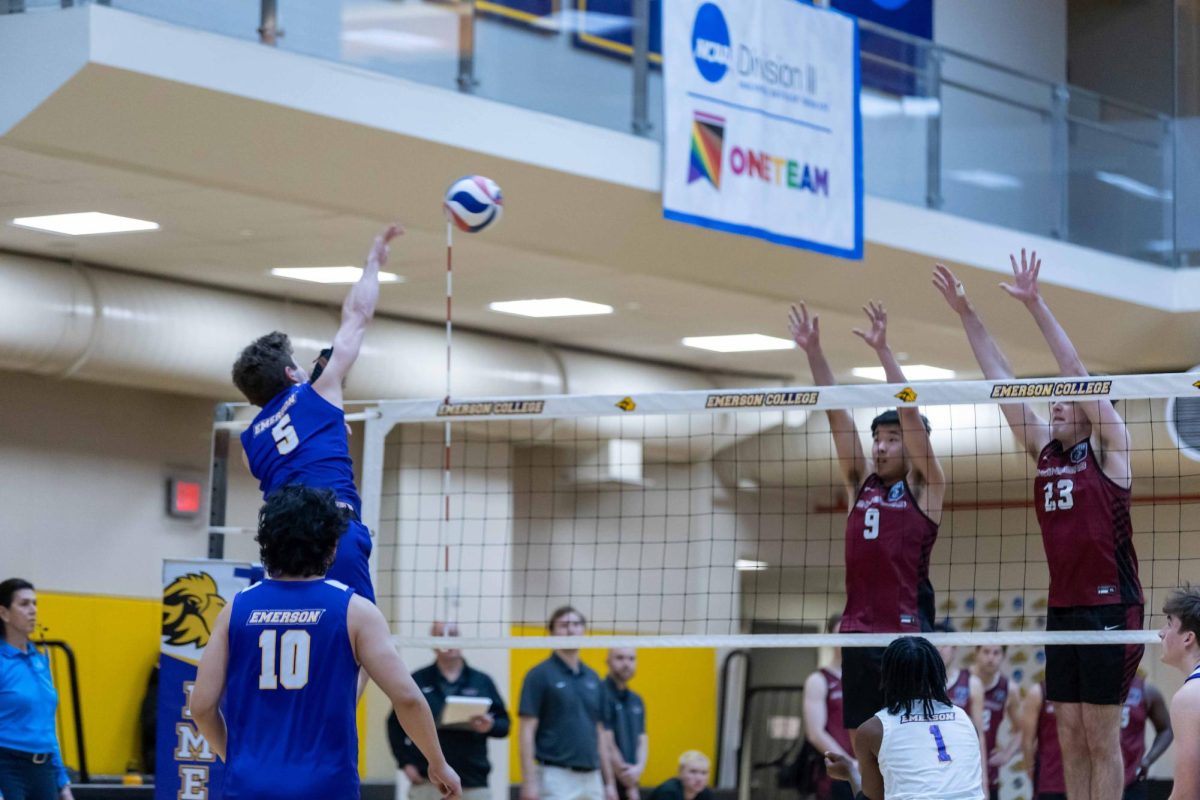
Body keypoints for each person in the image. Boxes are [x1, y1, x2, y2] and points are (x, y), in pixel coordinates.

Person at [934, 253, 1143, 800]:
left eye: (1067, 396)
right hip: (1063, 606)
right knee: (1068, 733)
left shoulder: (1111, 450)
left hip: (1109, 606)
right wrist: (967, 313)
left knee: (1101, 737)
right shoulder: (1042, 450)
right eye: (1052, 393)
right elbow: (1000, 379)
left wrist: (1035, 304)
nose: (1056, 397)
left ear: (1094, 409)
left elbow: (1076, 372)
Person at [190, 485, 462, 800]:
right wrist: (437, 763)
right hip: (326, 788)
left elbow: (201, 706)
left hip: (248, 786)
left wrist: (236, 760)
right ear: (332, 546)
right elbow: (407, 698)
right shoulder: (355, 611)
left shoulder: (234, 609)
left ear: (266, 543)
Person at [789, 301, 946, 745]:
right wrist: (814, 352)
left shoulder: (925, 487)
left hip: (906, 635)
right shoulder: (861, 483)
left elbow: (911, 414)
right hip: (858, 635)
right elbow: (837, 414)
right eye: (877, 438)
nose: (880, 447)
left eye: (892, 440)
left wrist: (883, 351)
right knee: (864, 740)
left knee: (905, 739)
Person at [232, 224, 403, 604]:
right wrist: (372, 262)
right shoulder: (319, 391)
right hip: (332, 533)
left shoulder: (249, 444)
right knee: (362, 640)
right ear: (292, 373)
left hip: (281, 548)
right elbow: (357, 315)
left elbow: (287, 450)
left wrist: (328, 422)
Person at [823, 636, 984, 800]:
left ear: (887, 675)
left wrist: (850, 772)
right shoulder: (965, 719)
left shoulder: (874, 729)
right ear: (937, 672)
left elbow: (873, 798)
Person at [387, 621, 510, 800]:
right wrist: (405, 762)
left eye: (452, 634)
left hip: (473, 781)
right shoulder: (418, 680)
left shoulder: (482, 681)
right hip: (428, 781)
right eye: (440, 635)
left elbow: (504, 725)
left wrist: (490, 725)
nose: (447, 640)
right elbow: (394, 724)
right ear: (432, 644)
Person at [518, 606, 616, 800]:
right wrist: (529, 782)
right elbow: (526, 731)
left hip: (592, 776)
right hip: (555, 776)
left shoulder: (593, 678)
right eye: (564, 625)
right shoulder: (539, 675)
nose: (571, 630)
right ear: (552, 632)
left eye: (576, 624)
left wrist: (609, 782)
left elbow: (600, 732)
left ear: (584, 631)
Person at [0, 579, 73, 800]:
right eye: (24, 604)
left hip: (43, 769)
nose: (33, 610)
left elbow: (47, 726)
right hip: (7, 767)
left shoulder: (41, 661)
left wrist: (63, 783)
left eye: (35, 603)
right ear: (4, 613)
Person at [802, 615, 855, 800]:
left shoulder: (871, 680)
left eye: (853, 633)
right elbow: (815, 733)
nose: (847, 639)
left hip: (868, 772)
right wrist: (850, 764)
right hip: (835, 776)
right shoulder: (819, 680)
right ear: (831, 638)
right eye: (841, 633)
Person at [1157, 585, 1200, 800]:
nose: (1161, 633)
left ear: (1188, 638)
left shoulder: (1189, 697)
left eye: (1169, 624)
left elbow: (1186, 795)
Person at [933, 625, 988, 793]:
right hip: (932, 768)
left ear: (955, 648)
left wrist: (983, 781)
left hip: (962, 768)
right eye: (935, 645)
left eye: (945, 645)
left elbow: (980, 735)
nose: (940, 650)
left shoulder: (972, 683)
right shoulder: (919, 686)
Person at [971, 645, 1022, 800]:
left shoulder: (1009, 689)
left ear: (1003, 656)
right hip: (960, 769)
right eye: (986, 652)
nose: (991, 657)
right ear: (976, 653)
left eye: (996, 653)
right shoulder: (960, 680)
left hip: (989, 770)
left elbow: (1023, 728)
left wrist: (1006, 754)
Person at [601, 648, 647, 800]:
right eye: (620, 658)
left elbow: (643, 739)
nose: (626, 664)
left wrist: (638, 769)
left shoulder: (636, 699)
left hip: (630, 779)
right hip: (606, 782)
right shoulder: (600, 693)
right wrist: (628, 781)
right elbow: (607, 741)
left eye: (631, 659)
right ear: (607, 661)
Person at [1118, 674, 1172, 800]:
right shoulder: (1086, 687)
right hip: (1093, 776)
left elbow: (1166, 729)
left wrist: (1148, 760)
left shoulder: (1146, 690)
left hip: (1132, 779)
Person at [1020, 682, 1065, 800]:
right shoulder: (1039, 691)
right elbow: (1027, 740)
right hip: (1048, 780)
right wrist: (1030, 768)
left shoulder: (1086, 690)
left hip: (1081, 779)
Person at [647, 751, 713, 800]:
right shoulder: (668, 792)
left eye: (704, 773)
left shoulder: (705, 793)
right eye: (693, 772)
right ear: (680, 772)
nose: (699, 778)